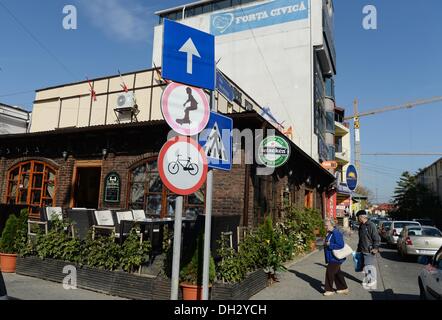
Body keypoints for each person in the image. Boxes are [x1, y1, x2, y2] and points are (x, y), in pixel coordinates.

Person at [323, 219, 349, 296]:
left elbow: (340, 245)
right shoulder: (330, 233)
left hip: (336, 257)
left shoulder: (336, 233)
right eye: (325, 225)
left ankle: (329, 290)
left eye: (326, 225)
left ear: (332, 225)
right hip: (332, 257)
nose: (325, 227)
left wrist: (329, 245)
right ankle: (343, 288)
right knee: (337, 273)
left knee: (329, 272)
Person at [356, 210, 381, 289]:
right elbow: (361, 239)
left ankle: (372, 281)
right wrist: (358, 249)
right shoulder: (361, 225)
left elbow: (376, 238)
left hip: (369, 250)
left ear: (362, 217)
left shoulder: (371, 225)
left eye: (358, 217)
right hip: (362, 249)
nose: (357, 219)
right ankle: (369, 280)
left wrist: (376, 248)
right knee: (365, 267)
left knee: (369, 266)